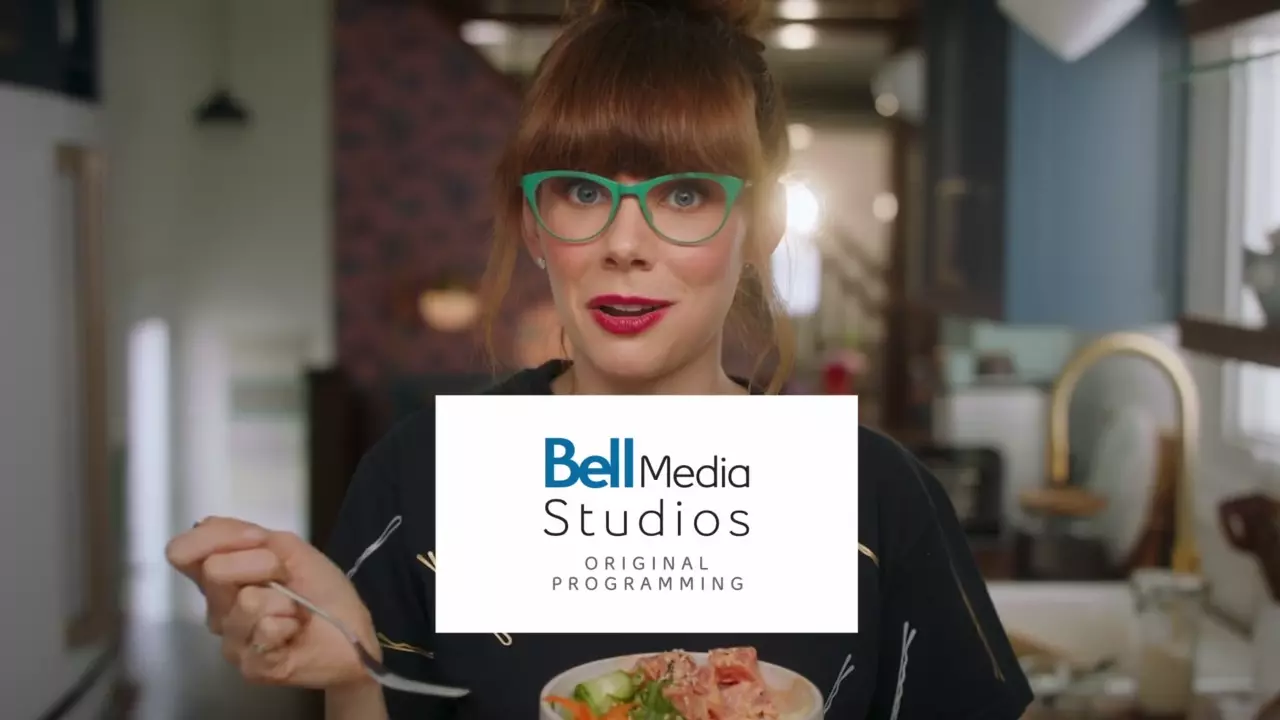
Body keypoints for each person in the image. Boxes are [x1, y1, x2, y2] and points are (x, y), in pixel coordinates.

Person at [165, 0, 1035, 717]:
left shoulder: (873, 496)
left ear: (762, 226)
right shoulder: (422, 479)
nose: (625, 242)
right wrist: (354, 678)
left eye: (685, 193)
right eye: (582, 190)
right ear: (536, 226)